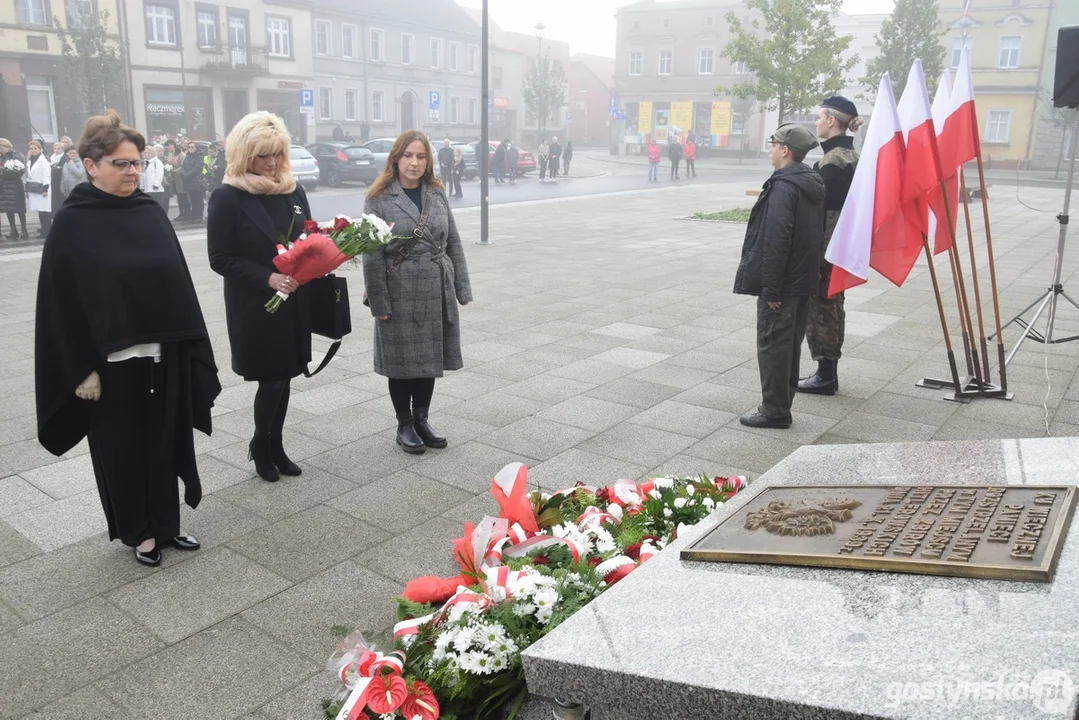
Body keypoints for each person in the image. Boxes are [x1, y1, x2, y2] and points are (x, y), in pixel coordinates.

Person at [35, 110, 221, 567]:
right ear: (91, 164)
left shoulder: (149, 211)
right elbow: (60, 305)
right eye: (121, 163)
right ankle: (138, 532)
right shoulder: (73, 222)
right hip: (108, 367)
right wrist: (80, 369)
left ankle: (167, 525)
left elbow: (175, 282)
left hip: (162, 354)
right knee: (122, 449)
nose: (133, 171)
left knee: (165, 441)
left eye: (136, 162)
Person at [207, 112, 313, 483]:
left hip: (293, 299)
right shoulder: (227, 196)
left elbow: (306, 239)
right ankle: (260, 444)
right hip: (256, 304)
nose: (271, 164)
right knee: (271, 378)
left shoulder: (292, 190)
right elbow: (219, 258)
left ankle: (276, 444)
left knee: (286, 375)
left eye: (277, 154)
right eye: (262, 156)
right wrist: (266, 277)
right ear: (243, 155)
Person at [362, 131, 472, 454]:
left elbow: (453, 241)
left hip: (435, 286)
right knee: (401, 361)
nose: (414, 163)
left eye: (421, 157)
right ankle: (404, 424)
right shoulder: (379, 197)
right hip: (399, 289)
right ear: (396, 158)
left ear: (428, 161)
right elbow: (371, 253)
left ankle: (422, 418)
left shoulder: (436, 192)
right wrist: (378, 300)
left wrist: (461, 287)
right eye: (408, 156)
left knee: (429, 358)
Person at [732, 124, 824, 429]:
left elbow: (776, 240)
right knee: (788, 345)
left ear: (785, 150)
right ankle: (782, 403)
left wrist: (771, 290)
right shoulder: (810, 181)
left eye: (773, 144)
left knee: (773, 344)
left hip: (783, 284)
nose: (771, 149)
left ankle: (774, 410)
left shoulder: (784, 187)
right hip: (801, 281)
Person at [798, 96, 864, 396]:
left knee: (824, 305)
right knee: (832, 304)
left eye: (819, 117)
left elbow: (825, 212)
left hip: (827, 245)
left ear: (832, 121)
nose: (816, 122)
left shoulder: (833, 163)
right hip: (839, 244)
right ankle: (827, 372)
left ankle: (826, 375)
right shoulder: (848, 156)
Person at [0, 138, 29, 239]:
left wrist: (4, 172)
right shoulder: (1, 157)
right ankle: (13, 230)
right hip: (4, 186)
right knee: (9, 209)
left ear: (8, 147)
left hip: (15, 185)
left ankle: (24, 230)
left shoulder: (16, 155)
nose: (1, 149)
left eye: (2, 147)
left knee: (20, 209)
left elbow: (19, 170)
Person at [25, 139, 52, 237]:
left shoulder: (43, 161)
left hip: (42, 188)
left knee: (45, 210)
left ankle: (47, 231)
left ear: (40, 149)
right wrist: (27, 190)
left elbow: (46, 176)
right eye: (31, 148)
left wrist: (45, 189)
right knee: (40, 210)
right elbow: (28, 175)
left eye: (35, 148)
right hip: (34, 188)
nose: (33, 150)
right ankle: (43, 229)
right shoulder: (30, 160)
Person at [182, 141, 205, 222]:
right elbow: (183, 166)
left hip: (196, 181)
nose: (191, 149)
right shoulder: (187, 156)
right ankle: (194, 216)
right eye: (189, 147)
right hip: (188, 181)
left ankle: (199, 216)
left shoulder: (199, 156)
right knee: (192, 199)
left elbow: (197, 168)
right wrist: (184, 174)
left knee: (198, 199)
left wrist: (187, 176)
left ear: (196, 148)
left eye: (192, 147)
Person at [165, 139, 188, 221]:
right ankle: (181, 213)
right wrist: (168, 167)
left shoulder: (181, 154)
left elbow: (184, 165)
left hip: (180, 178)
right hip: (173, 178)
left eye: (169, 145)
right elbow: (168, 162)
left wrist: (175, 170)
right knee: (178, 196)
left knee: (183, 195)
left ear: (173, 145)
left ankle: (186, 213)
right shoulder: (170, 154)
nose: (168, 147)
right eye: (167, 146)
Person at [140, 144, 166, 212]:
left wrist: (156, 184)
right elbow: (142, 175)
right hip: (147, 189)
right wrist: (142, 186)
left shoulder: (157, 162)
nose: (146, 154)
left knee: (157, 207)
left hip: (155, 190)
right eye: (145, 153)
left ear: (152, 153)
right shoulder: (145, 163)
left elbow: (160, 174)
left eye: (148, 153)